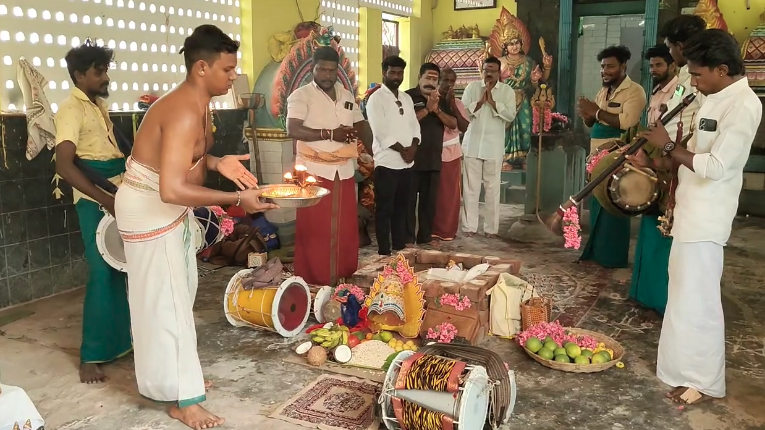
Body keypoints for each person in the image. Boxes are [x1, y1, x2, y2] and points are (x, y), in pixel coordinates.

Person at [114, 25, 277, 429]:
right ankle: (185, 401)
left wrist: (219, 162)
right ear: (201, 67)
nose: (234, 76)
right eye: (227, 69)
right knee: (168, 301)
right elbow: (171, 188)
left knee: (176, 295)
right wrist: (237, 199)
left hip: (163, 206)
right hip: (150, 208)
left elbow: (185, 158)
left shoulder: (200, 103)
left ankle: (173, 380)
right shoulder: (183, 110)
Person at [632, 29, 761, 405]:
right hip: (690, 210)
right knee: (682, 297)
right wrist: (658, 160)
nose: (693, 82)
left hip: (707, 218)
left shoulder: (744, 105)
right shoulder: (714, 97)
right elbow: (693, 152)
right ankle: (681, 371)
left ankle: (703, 381)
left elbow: (717, 166)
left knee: (700, 302)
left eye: (698, 74)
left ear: (721, 70)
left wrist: (669, 145)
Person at [53, 42, 132, 385]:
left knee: (121, 269)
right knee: (101, 272)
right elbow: (64, 165)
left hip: (118, 193)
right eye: (99, 72)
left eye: (105, 70)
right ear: (79, 75)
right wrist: (104, 198)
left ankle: (120, 344)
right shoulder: (70, 110)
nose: (106, 77)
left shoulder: (98, 106)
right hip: (94, 200)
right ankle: (91, 357)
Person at [629, 17, 707, 313]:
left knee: (670, 231)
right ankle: (650, 294)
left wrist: (665, 153)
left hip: (681, 160)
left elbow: (689, 129)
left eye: (670, 49)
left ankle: (665, 300)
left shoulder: (697, 81)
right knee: (658, 223)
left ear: (680, 47)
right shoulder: (686, 77)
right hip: (667, 157)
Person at [286, 46, 372, 286]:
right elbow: (293, 129)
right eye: (322, 69)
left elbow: (361, 124)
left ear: (337, 71)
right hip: (313, 172)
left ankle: (343, 275)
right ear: (312, 69)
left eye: (331, 70)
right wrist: (330, 133)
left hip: (343, 171)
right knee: (316, 227)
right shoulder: (301, 96)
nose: (327, 74)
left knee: (345, 227)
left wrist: (375, 150)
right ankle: (314, 279)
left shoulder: (346, 95)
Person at [577, 45, 646, 268]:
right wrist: (587, 115)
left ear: (623, 66)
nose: (604, 71)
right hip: (596, 155)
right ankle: (596, 253)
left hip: (618, 156)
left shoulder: (634, 91)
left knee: (614, 203)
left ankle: (612, 257)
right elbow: (593, 122)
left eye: (610, 66)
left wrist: (596, 112)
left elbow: (627, 122)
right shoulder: (603, 91)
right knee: (597, 203)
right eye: (603, 67)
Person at [629, 43, 679, 315]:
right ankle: (643, 293)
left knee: (663, 227)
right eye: (651, 66)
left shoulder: (680, 90)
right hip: (652, 158)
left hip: (668, 161)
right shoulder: (658, 92)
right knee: (649, 222)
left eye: (659, 65)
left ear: (673, 64)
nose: (653, 70)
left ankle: (659, 297)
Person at [365, 55, 421, 256]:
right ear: (384, 73)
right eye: (393, 73)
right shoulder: (376, 99)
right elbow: (380, 131)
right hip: (387, 162)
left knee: (402, 208)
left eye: (400, 73)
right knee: (385, 209)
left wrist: (413, 147)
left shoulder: (406, 98)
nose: (397, 77)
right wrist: (402, 150)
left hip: (407, 163)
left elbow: (414, 126)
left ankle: (399, 246)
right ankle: (384, 250)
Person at [460, 56, 516, 238]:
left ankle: (491, 229)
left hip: (493, 146)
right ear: (482, 71)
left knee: (492, 189)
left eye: (492, 70)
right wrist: (480, 102)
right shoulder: (472, 88)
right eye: (486, 70)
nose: (488, 73)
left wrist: (493, 102)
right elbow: (463, 112)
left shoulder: (507, 91)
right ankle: (469, 227)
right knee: (471, 188)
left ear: (499, 73)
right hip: (472, 145)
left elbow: (511, 115)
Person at [404, 63, 457, 246]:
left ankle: (425, 238)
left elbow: (452, 124)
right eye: (428, 77)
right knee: (408, 202)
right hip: (411, 159)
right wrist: (427, 109)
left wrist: (437, 110)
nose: (431, 82)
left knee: (429, 204)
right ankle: (408, 238)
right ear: (419, 77)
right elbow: (405, 121)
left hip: (433, 159)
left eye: (435, 79)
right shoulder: (408, 97)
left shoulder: (440, 99)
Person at [432, 67, 469, 242]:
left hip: (451, 154)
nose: (448, 84)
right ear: (438, 80)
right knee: (434, 194)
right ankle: (432, 229)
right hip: (431, 152)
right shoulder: (431, 99)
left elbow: (464, 127)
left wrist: (453, 105)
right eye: (445, 80)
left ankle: (447, 231)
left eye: (452, 81)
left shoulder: (458, 104)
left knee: (450, 195)